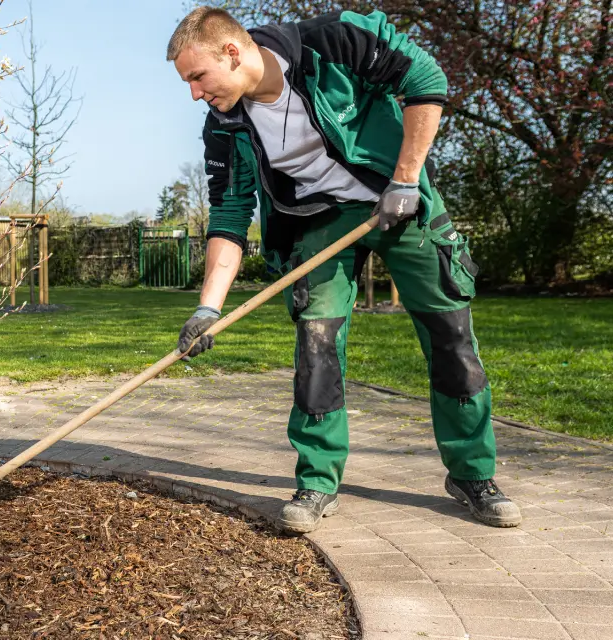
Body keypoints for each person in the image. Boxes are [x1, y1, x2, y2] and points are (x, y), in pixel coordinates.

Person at [167, 7, 521, 533]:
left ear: (233, 53)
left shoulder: (333, 43)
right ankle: (317, 480)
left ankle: (473, 474)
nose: (195, 93)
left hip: (399, 201)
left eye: (198, 76)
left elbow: (426, 78)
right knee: (317, 343)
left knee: (452, 339)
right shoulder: (226, 124)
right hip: (320, 220)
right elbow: (229, 214)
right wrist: (208, 307)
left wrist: (405, 179)